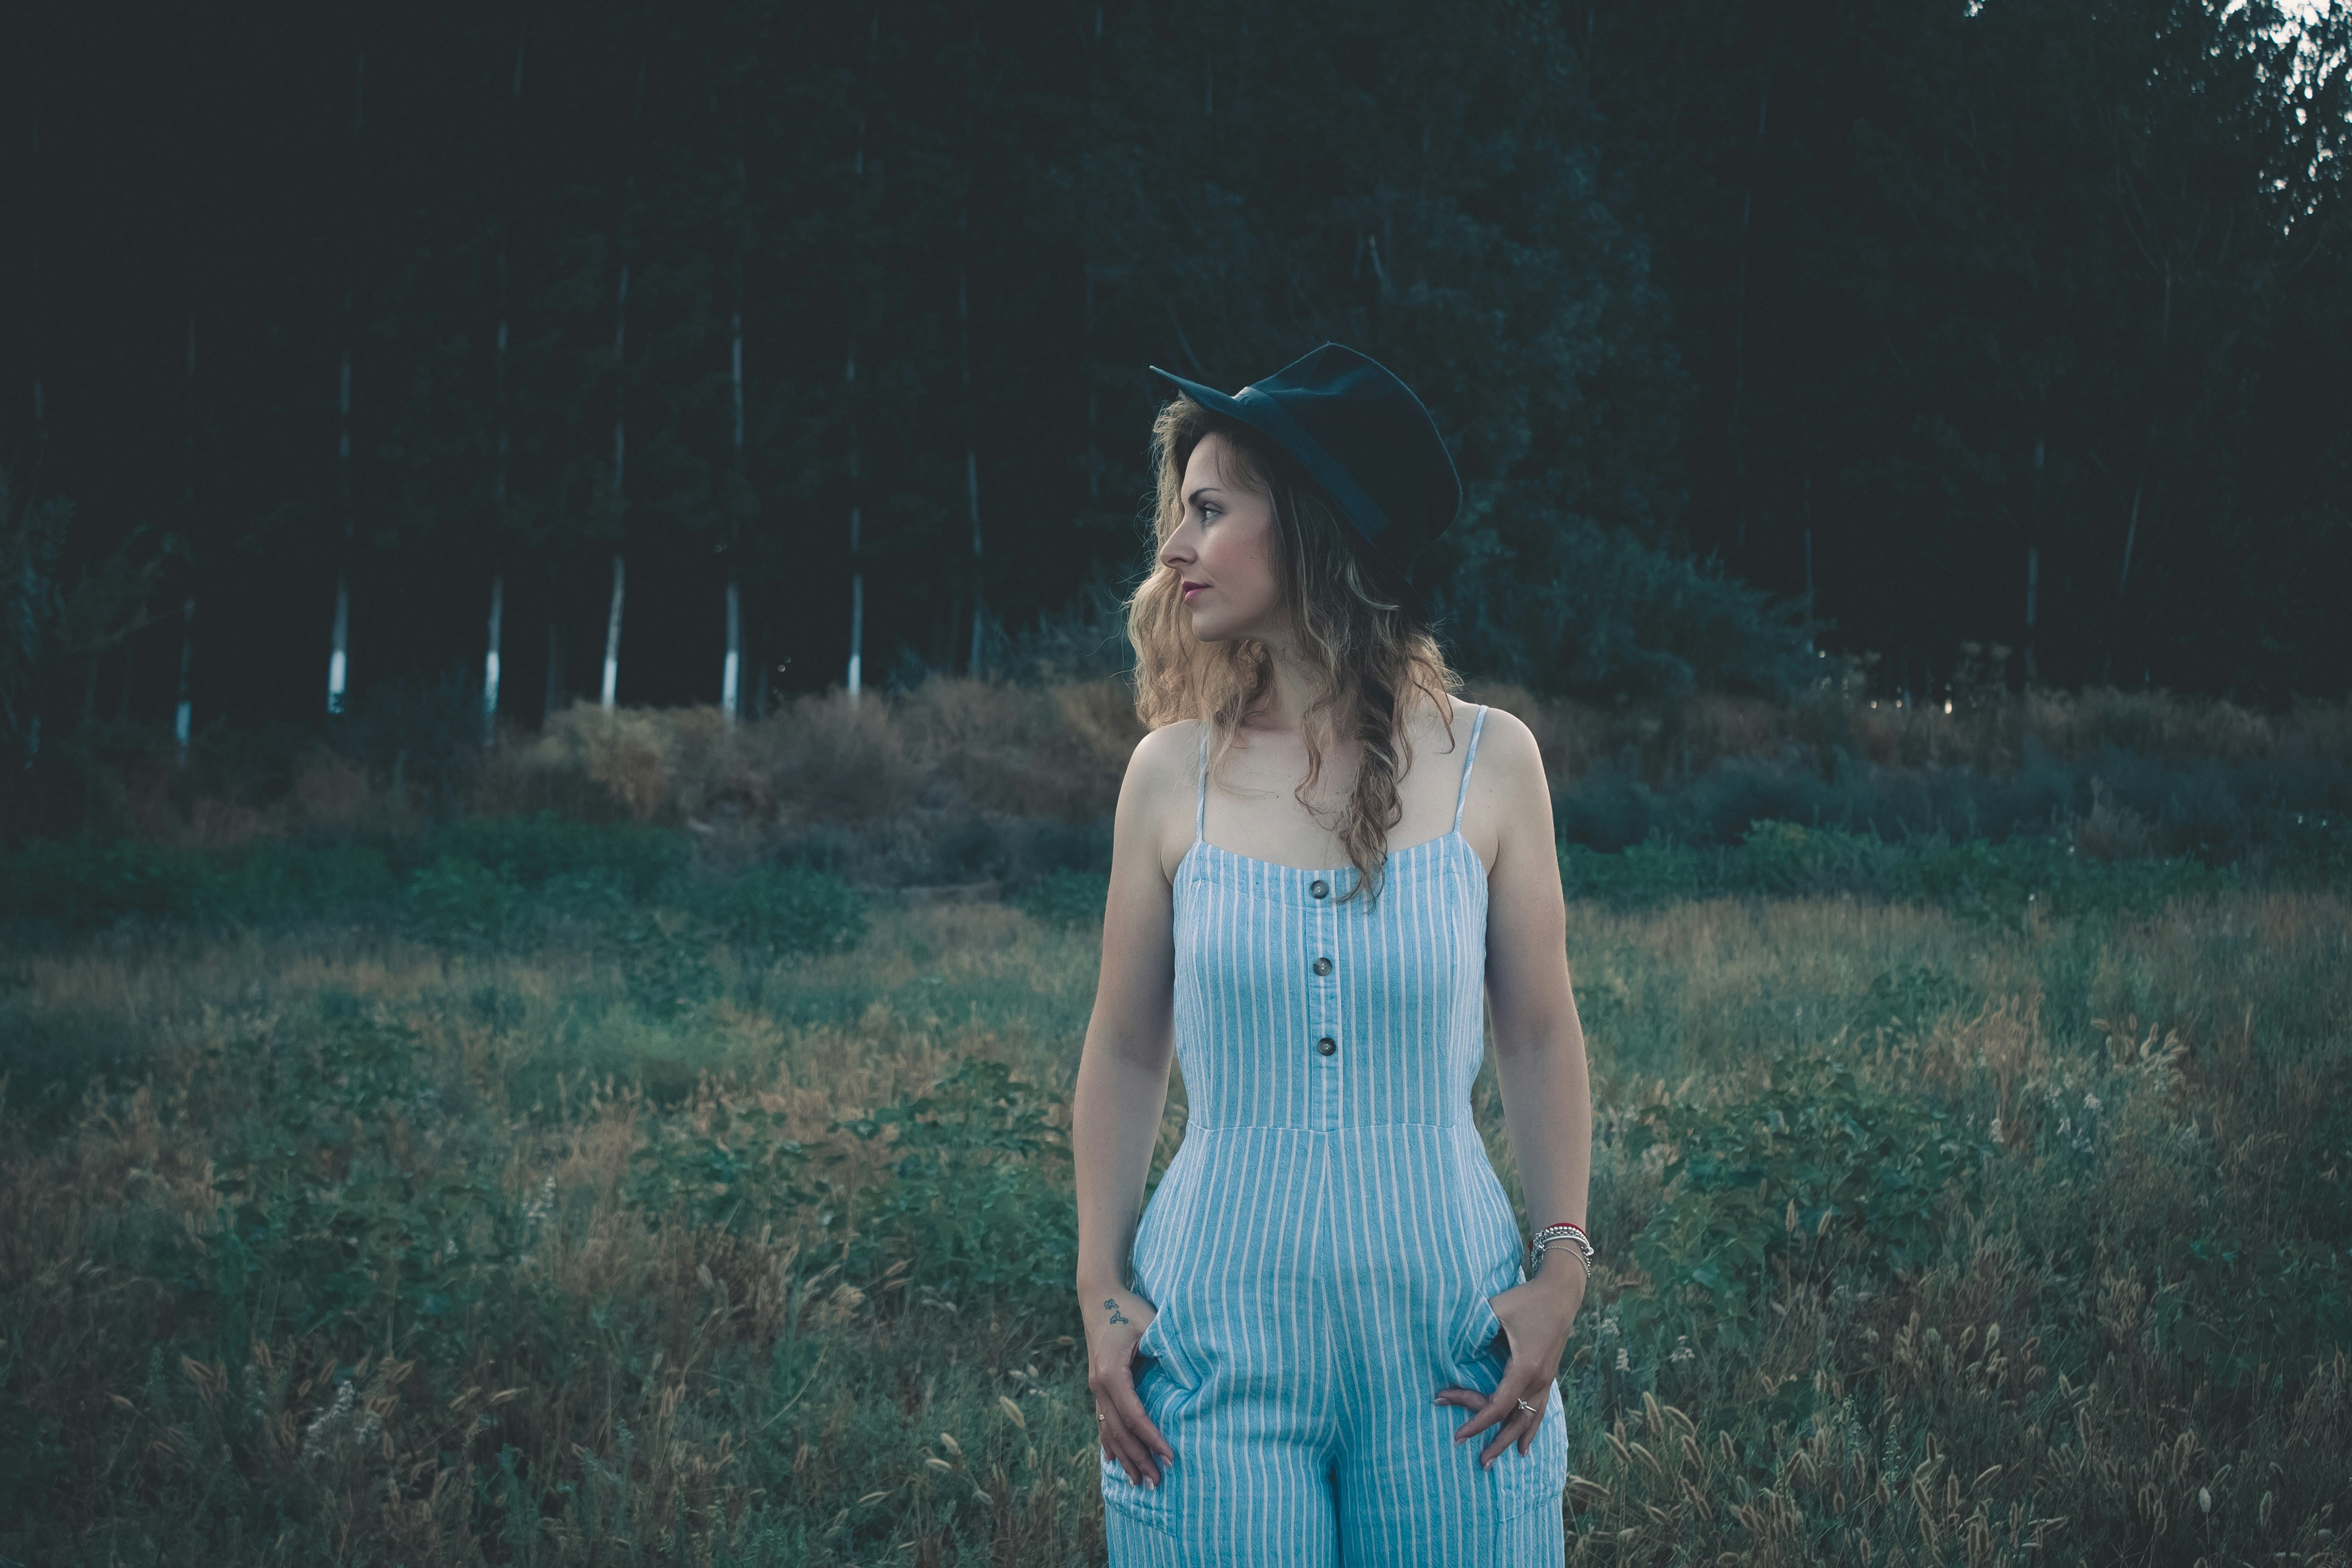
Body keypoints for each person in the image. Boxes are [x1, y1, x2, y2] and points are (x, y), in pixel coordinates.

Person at [1071, 343, 1597, 1564]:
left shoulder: (1491, 762)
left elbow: (1537, 1032)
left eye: (1210, 511)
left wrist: (1562, 1264)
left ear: (1308, 529)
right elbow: (1124, 1048)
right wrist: (1101, 1289)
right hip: (1209, 1355)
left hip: (1456, 1356)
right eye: (1179, 513)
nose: (1174, 548)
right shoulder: (1168, 779)